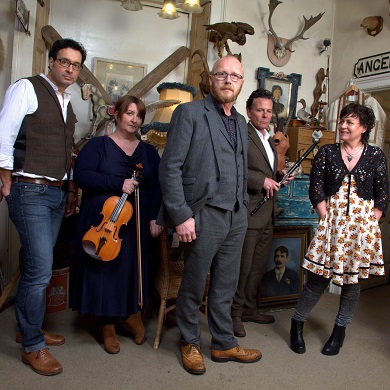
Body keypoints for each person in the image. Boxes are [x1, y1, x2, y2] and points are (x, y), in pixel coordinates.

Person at [157, 55, 261, 375]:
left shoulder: (241, 122)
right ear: (211, 79)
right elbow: (170, 167)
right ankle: (189, 340)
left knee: (225, 284)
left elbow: (240, 167)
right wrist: (181, 215)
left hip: (236, 214)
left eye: (235, 76)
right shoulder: (189, 113)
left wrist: (242, 203)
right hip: (203, 214)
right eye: (222, 74)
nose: (228, 81)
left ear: (242, 83)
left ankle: (223, 342)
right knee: (193, 282)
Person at [0, 39, 86, 375]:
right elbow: (4, 133)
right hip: (28, 189)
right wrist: (4, 173)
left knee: (34, 264)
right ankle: (32, 345)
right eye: (64, 62)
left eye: (75, 65)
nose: (69, 69)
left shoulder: (66, 102)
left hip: (54, 193)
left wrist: (68, 188)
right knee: (40, 269)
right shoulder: (27, 88)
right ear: (51, 62)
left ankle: (26, 327)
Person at [290, 102, 389, 356]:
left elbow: (383, 194)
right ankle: (297, 323)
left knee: (352, 283)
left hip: (361, 229)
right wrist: (326, 218)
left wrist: (370, 221)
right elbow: (316, 187)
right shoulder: (327, 152)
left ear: (363, 128)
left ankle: (339, 331)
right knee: (318, 280)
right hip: (331, 224)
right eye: (342, 120)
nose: (343, 125)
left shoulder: (376, 155)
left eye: (349, 122)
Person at [71, 95, 162, 354]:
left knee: (132, 268)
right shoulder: (98, 146)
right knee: (106, 271)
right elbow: (82, 176)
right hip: (104, 219)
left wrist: (155, 217)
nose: (134, 119)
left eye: (139, 115)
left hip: (137, 221)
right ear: (117, 115)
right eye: (129, 113)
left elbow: (157, 188)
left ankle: (132, 314)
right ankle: (107, 323)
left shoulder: (148, 152)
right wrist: (117, 183)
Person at [231, 88, 293, 338]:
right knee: (243, 267)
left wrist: (278, 176)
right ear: (249, 111)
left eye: (269, 111)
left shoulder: (268, 138)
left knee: (258, 266)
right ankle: (233, 313)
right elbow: (235, 169)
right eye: (260, 110)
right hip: (249, 211)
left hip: (268, 213)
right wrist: (261, 181)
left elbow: (266, 170)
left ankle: (248, 308)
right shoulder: (242, 134)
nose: (265, 115)